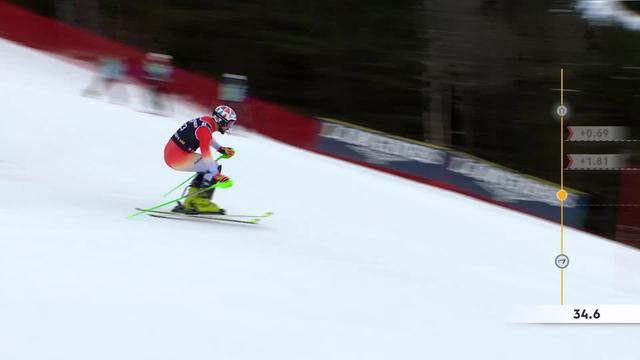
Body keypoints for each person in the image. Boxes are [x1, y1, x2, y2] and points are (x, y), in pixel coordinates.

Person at [164, 105, 237, 214]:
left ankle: (190, 200)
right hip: (177, 158)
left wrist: (220, 149)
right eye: (230, 123)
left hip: (173, 153)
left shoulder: (206, 122)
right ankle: (202, 203)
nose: (229, 127)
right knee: (212, 166)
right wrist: (217, 175)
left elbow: (206, 137)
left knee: (208, 166)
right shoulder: (205, 130)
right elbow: (206, 153)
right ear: (221, 121)